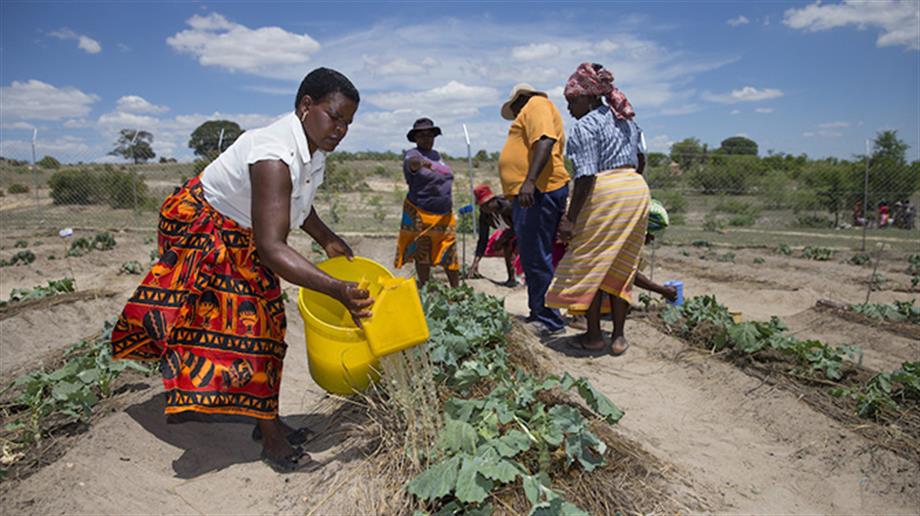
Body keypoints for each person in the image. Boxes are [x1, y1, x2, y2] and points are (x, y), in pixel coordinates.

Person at [110, 68, 373, 473]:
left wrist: (327, 238)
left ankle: (266, 420)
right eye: (334, 117)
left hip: (242, 230)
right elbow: (271, 247)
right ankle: (270, 438)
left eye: (347, 123)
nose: (340, 129)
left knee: (266, 325)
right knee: (250, 329)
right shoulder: (272, 154)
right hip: (205, 226)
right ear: (306, 106)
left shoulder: (312, 149)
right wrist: (335, 289)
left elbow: (296, 204)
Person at [546, 62, 651, 355]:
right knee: (623, 264)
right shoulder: (626, 119)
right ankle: (618, 337)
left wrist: (570, 219)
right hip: (635, 189)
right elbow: (640, 161)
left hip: (605, 191)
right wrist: (626, 188)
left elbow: (586, 175)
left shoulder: (585, 126)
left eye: (572, 101)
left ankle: (592, 336)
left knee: (590, 263)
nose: (569, 108)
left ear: (590, 97)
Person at [498, 83, 570, 334]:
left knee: (537, 256)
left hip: (540, 190)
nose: (516, 115)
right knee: (532, 256)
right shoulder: (531, 110)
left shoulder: (536, 105)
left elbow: (545, 140)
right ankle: (540, 312)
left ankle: (549, 319)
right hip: (532, 192)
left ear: (520, 99)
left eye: (515, 109)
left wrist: (529, 181)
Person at [394, 118, 460, 288]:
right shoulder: (413, 154)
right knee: (423, 252)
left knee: (450, 253)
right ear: (415, 138)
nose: (427, 139)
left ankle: (456, 291)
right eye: (422, 135)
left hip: (444, 215)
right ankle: (425, 288)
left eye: (430, 135)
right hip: (421, 213)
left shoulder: (437, 156)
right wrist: (421, 163)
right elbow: (412, 163)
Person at [467, 184, 517, 287]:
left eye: (486, 205)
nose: (484, 208)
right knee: (505, 245)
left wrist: (502, 239)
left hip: (524, 228)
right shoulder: (485, 215)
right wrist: (475, 263)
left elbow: (519, 225)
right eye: (482, 206)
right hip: (510, 230)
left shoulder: (508, 206)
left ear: (493, 200)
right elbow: (483, 239)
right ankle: (511, 279)